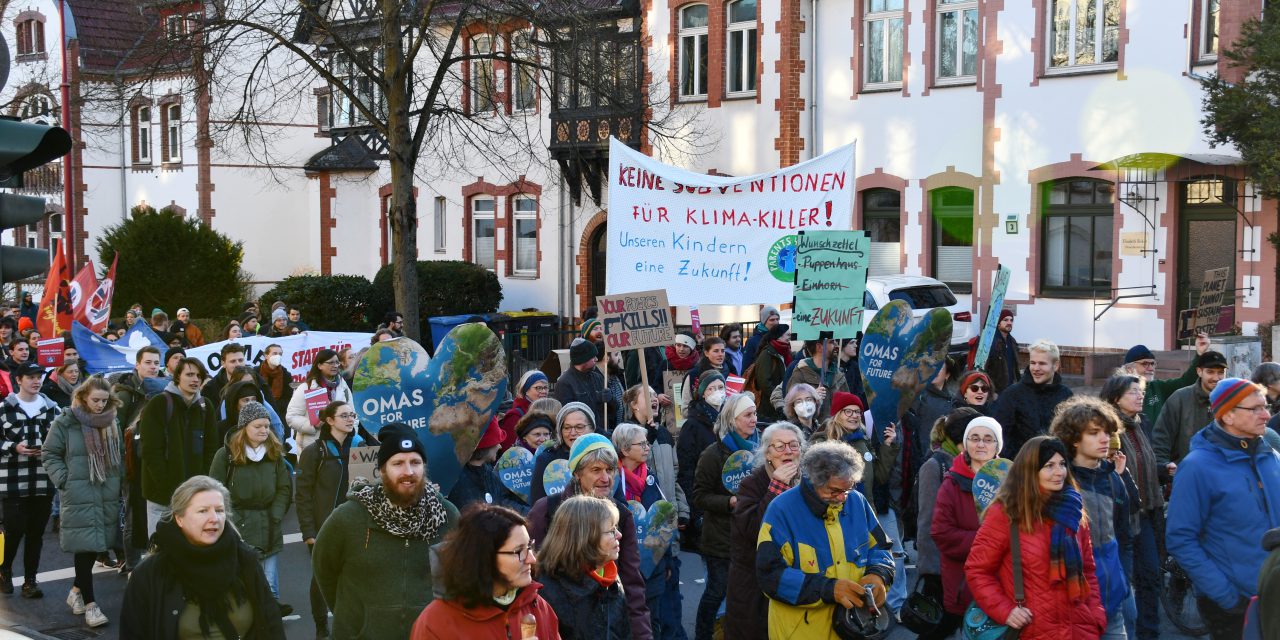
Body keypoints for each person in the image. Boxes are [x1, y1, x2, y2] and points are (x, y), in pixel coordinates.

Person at [312, 422, 460, 638]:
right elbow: (324, 570)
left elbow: (459, 579)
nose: (408, 471)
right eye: (398, 463)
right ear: (382, 469)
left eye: (415, 462)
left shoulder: (446, 516)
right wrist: (356, 617)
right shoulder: (349, 517)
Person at [1166, 378, 1280, 640]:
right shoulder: (1197, 467)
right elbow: (1180, 538)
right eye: (1255, 409)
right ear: (1227, 414)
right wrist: (1226, 596)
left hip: (1274, 593)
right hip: (1234, 604)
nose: (1266, 415)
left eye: (1266, 406)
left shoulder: (1271, 456)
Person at [964, 436, 1108, 638]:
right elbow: (977, 570)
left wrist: (1096, 616)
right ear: (1031, 471)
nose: (1059, 472)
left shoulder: (1073, 510)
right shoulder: (1006, 513)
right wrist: (1005, 611)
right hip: (1032, 630)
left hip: (1079, 629)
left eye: (1062, 464)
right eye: (1049, 466)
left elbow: (1089, 570)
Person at [755, 441, 895, 637]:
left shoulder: (857, 501)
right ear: (814, 481)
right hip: (801, 632)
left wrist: (879, 574)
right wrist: (828, 589)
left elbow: (881, 547)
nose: (843, 498)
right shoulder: (781, 510)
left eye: (849, 488)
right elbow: (770, 575)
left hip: (853, 627)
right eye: (834, 491)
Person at [119, 475, 284, 638]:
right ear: (179, 519)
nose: (214, 519)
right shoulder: (151, 574)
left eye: (219, 510)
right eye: (203, 511)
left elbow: (271, 623)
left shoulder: (244, 559)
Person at [527, 434, 652, 638]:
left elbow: (632, 584)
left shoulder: (621, 513)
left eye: (610, 470)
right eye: (596, 470)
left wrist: (643, 635)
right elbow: (530, 572)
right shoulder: (547, 509)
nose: (606, 478)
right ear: (577, 473)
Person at [813, 391, 907, 614]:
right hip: (834, 515)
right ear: (837, 414)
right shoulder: (823, 441)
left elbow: (880, 478)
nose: (854, 416)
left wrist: (888, 446)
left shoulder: (863, 441)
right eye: (848, 411)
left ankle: (883, 608)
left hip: (866, 512)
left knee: (875, 559)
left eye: (857, 412)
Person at [411, 504, 560, 639]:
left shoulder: (538, 606)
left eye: (529, 547)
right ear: (484, 557)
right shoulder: (435, 624)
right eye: (519, 551)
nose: (532, 559)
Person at [1049, 397, 1132, 639]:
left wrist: (1124, 582)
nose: (1105, 439)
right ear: (1074, 438)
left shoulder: (1112, 479)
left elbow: (1124, 537)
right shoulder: (1059, 482)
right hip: (1074, 603)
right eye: (1094, 433)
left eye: (1107, 432)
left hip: (1114, 599)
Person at [40, 376, 119, 627]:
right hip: (78, 492)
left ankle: (76, 591)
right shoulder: (66, 421)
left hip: (106, 490)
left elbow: (120, 456)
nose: (100, 405)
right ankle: (91, 605)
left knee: (97, 545)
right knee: (85, 548)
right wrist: (65, 479)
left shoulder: (111, 420)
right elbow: (49, 453)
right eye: (95, 400)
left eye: (104, 401)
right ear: (83, 396)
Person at [208, 401, 293, 616]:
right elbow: (216, 490)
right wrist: (232, 518)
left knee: (270, 573)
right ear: (244, 427)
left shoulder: (274, 453)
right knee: (243, 570)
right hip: (238, 521)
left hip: (269, 519)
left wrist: (276, 514)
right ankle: (246, 610)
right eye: (258, 426)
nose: (264, 430)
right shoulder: (225, 455)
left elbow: (284, 487)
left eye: (266, 426)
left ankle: (270, 608)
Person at [725, 421, 805, 640]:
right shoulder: (752, 484)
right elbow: (753, 529)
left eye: (794, 445)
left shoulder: (807, 483)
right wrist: (777, 486)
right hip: (754, 584)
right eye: (780, 446)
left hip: (796, 577)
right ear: (768, 452)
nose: (788, 451)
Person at [295, 400, 365, 639]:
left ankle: (351, 625)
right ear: (330, 421)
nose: (350, 419)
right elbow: (302, 495)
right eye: (344, 415)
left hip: (355, 526)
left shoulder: (361, 447)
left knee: (356, 575)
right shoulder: (314, 451)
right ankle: (321, 626)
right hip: (323, 527)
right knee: (321, 578)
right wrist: (308, 532)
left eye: (352, 415)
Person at [1100, 374, 1163, 640]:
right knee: (1122, 583)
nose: (1140, 396)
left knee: (1151, 576)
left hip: (1146, 511)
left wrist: (1164, 470)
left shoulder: (1140, 424)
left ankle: (1150, 634)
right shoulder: (1108, 428)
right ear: (1115, 398)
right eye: (1133, 392)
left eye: (1141, 391)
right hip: (1120, 516)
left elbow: (1144, 464)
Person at [692, 393, 757, 639]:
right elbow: (699, 496)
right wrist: (729, 502)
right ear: (732, 419)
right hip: (720, 540)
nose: (754, 419)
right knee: (717, 592)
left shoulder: (761, 449)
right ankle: (704, 633)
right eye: (748, 415)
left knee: (746, 592)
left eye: (755, 413)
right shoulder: (713, 454)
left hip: (750, 536)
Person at [920, 409, 987, 640]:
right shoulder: (936, 466)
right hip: (943, 568)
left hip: (977, 573)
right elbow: (929, 523)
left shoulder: (994, 474)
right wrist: (930, 570)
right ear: (962, 441)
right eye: (975, 438)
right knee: (938, 627)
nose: (981, 445)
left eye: (987, 439)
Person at [612, 423, 682, 638]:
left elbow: (663, 520)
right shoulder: (613, 480)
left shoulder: (650, 478)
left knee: (654, 621)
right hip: (625, 564)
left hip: (654, 564)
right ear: (624, 449)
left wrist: (668, 560)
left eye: (647, 443)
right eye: (641, 444)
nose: (647, 447)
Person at [0, 362, 61, 597]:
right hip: (13, 479)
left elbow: (61, 439)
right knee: (14, 531)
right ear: (19, 380)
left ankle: (30, 581)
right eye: (31, 377)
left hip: (43, 478)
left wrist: (46, 449)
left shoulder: (51, 407)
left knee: (36, 533)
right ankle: (4, 570)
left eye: (39, 377)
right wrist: (13, 447)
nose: (36, 381)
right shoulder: (4, 408)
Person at [139, 356, 219, 536]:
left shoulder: (206, 406)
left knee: (192, 546)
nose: (195, 379)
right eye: (189, 374)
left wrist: (203, 481)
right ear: (177, 377)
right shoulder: (159, 404)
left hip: (194, 493)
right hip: (161, 496)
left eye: (199, 375)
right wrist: (167, 488)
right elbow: (151, 451)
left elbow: (211, 448)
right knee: (160, 550)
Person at [537, 495, 631, 639]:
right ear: (584, 537)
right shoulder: (548, 590)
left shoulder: (610, 579)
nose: (619, 535)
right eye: (611, 531)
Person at [112, 346, 163, 572]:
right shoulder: (125, 393)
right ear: (137, 365)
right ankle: (132, 564)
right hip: (131, 464)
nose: (153, 367)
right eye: (148, 362)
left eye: (156, 362)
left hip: (155, 460)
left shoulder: (163, 388)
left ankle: (155, 560)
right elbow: (115, 431)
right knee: (134, 514)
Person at [992, 339, 1074, 458]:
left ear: (1055, 366)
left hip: (1056, 465)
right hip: (1021, 466)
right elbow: (1000, 434)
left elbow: (1071, 434)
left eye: (1042, 363)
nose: (1036, 368)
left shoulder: (1066, 395)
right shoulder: (1012, 394)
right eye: (1033, 363)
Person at [622, 384, 688, 531]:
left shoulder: (664, 433)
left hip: (668, 516)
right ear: (634, 405)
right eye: (647, 395)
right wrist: (647, 440)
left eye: (654, 395)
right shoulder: (625, 435)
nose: (655, 398)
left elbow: (674, 477)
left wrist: (682, 509)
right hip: (642, 519)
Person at [1152, 349, 1228, 471]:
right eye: (1210, 372)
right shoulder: (1180, 398)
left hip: (1223, 476)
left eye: (1220, 372)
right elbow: (1161, 437)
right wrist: (1163, 467)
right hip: (1186, 474)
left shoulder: (1231, 401)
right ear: (1199, 371)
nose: (1216, 378)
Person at [675, 371, 724, 553]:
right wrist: (694, 510)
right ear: (703, 393)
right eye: (712, 388)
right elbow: (686, 469)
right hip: (702, 498)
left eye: (721, 387)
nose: (718, 392)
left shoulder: (728, 420)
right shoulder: (692, 425)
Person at [1120, 333, 1210, 426]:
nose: (1151, 368)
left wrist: (1200, 354)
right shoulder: (1118, 391)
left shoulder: (1158, 386)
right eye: (1145, 364)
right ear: (1129, 369)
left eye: (1153, 364)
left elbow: (1185, 382)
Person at [450, 419, 527, 513]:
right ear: (485, 446)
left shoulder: (488, 471)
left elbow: (503, 501)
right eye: (496, 442)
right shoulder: (459, 483)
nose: (500, 446)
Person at [286, 348, 354, 453]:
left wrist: (350, 434)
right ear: (319, 365)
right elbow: (291, 417)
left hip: (340, 445)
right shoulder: (306, 387)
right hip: (312, 448)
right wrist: (312, 426)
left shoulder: (343, 387)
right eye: (331, 362)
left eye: (337, 362)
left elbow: (354, 415)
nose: (335, 365)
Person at [530, 402, 596, 503]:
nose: (572, 433)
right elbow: (537, 504)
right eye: (567, 428)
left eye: (579, 427)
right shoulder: (546, 460)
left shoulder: (603, 458)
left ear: (592, 429)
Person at [786, 339, 848, 423]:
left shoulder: (839, 374)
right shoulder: (800, 374)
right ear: (819, 347)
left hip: (837, 431)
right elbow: (790, 408)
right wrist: (811, 397)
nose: (837, 346)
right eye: (832, 342)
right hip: (812, 432)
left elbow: (848, 405)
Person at [203, 343, 275, 409]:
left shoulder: (258, 381)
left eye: (240, 360)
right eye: (233, 361)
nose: (238, 364)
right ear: (223, 363)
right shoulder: (211, 388)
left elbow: (272, 408)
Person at [750, 322, 792, 422]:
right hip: (769, 407)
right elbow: (764, 383)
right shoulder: (767, 354)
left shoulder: (785, 352)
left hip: (782, 403)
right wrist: (778, 399)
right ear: (779, 336)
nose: (789, 337)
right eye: (787, 334)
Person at [500, 371, 549, 451]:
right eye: (538, 388)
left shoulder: (546, 411)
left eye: (545, 387)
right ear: (526, 390)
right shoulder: (515, 415)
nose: (544, 391)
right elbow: (509, 449)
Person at [662, 333, 700, 432]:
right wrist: (659, 395)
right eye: (678, 345)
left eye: (685, 346)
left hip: (691, 414)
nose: (681, 349)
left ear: (691, 348)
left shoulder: (698, 365)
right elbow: (655, 385)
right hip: (670, 414)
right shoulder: (665, 364)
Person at [984, 309, 1019, 394]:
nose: (1009, 322)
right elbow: (984, 369)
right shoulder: (991, 342)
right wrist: (991, 392)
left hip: (1010, 388)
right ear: (998, 323)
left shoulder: (1012, 342)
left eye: (1011, 320)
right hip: (995, 391)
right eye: (1005, 320)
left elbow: (1015, 366)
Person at [741, 305, 780, 372]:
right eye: (772, 320)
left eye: (777, 319)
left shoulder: (781, 337)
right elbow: (746, 369)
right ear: (764, 322)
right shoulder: (752, 342)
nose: (775, 322)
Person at [257, 344, 290, 419]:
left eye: (280, 354)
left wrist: (274, 407)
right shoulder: (256, 372)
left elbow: (288, 396)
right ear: (266, 356)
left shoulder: (286, 374)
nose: (278, 356)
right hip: (259, 412)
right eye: (275, 353)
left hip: (279, 413)